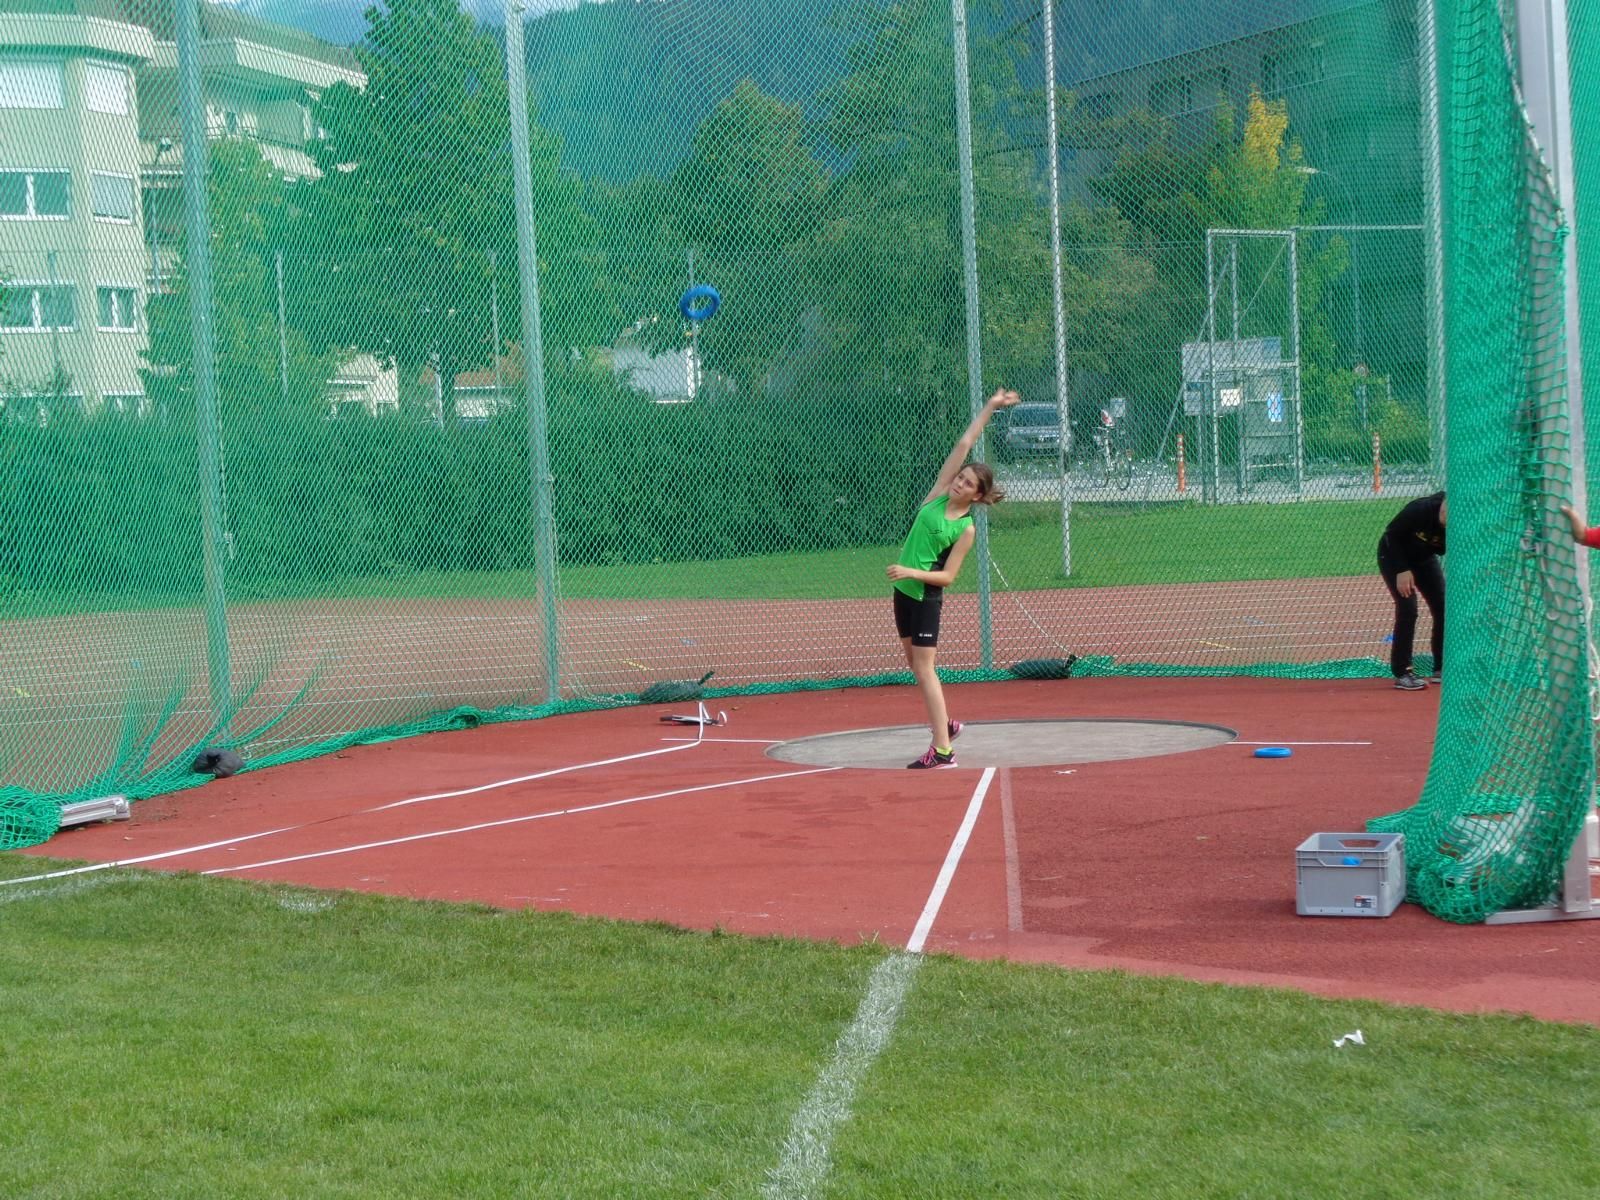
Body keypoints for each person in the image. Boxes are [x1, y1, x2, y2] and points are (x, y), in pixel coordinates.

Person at [887, 387, 1020, 768]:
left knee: (925, 669)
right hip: (903, 593)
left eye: (968, 484)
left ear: (977, 496)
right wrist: (990, 406)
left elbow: (947, 576)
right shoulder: (937, 496)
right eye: (960, 478)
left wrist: (910, 571)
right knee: (917, 667)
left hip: (924, 597)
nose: (960, 483)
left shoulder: (965, 529)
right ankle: (944, 723)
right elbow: (965, 442)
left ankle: (943, 750)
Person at [1377, 491, 1446, 690]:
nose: (1446, 518)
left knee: (1443, 606)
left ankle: (1441, 667)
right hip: (1394, 556)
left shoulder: (1460, 526)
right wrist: (1401, 570)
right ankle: (1403, 672)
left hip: (1424, 558)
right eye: (1446, 511)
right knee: (1408, 608)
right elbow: (1391, 535)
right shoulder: (1421, 509)